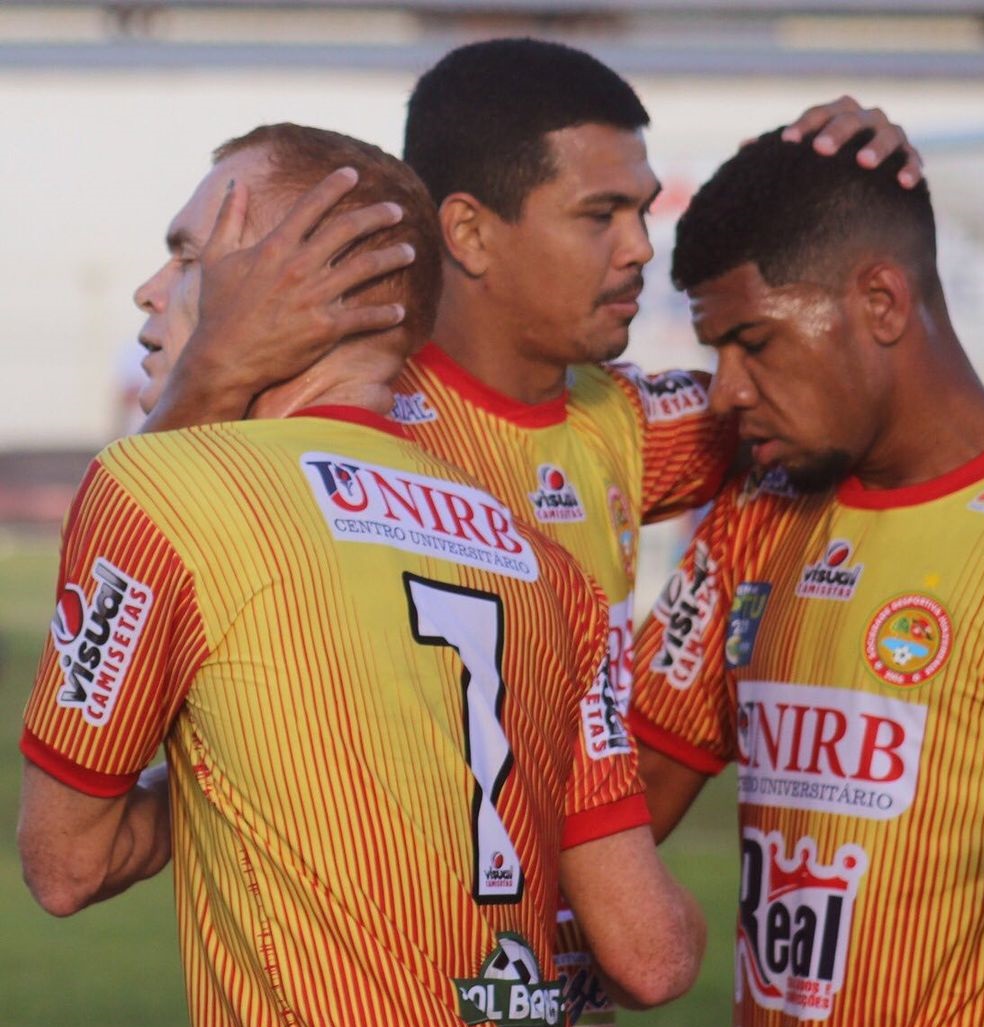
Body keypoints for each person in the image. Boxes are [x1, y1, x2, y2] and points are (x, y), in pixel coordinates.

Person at [132, 39, 920, 1025]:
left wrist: (861, 202)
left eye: (642, 209)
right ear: (468, 230)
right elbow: (140, 546)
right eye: (602, 215)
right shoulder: (327, 412)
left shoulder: (637, 426)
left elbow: (848, 391)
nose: (641, 247)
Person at [17, 123, 706, 1027]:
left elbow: (68, 863)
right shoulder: (549, 571)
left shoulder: (160, 482)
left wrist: (244, 784)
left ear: (292, 286)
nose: (150, 290)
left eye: (185, 256)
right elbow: (651, 955)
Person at [628, 127, 984, 1025]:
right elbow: (621, 800)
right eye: (717, 350)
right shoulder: (759, 514)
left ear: (880, 300)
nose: (727, 390)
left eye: (753, 341)